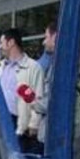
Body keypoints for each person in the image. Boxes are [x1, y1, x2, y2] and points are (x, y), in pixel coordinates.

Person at [0, 27, 44, 153]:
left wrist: (33, 125)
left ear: (11, 43)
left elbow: (38, 99)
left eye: (1, 42)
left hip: (19, 125)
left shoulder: (33, 68)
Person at [30, 21, 58, 150]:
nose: (43, 42)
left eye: (46, 37)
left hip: (51, 140)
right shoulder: (54, 64)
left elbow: (48, 103)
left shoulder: (59, 68)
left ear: (55, 36)